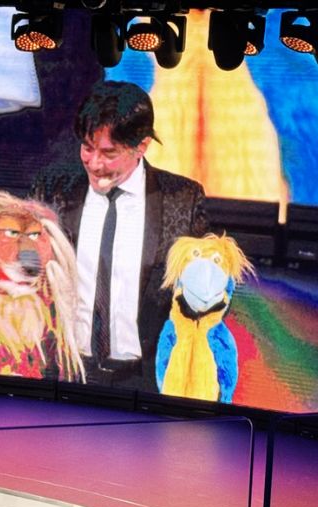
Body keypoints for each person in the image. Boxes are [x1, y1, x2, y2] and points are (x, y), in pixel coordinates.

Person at [31, 80, 209, 391]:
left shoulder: (183, 198)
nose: (94, 163)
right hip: (63, 373)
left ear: (142, 146)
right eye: (88, 148)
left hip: (145, 382)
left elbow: (206, 289)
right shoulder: (52, 189)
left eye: (109, 153)